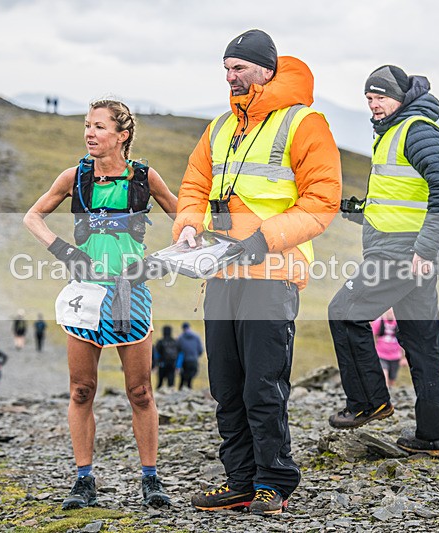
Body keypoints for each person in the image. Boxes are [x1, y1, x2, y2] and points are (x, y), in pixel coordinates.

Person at [173, 29, 341, 515]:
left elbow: (322, 200)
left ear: (267, 70)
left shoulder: (304, 123)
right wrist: (189, 226)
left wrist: (263, 239)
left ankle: (273, 482)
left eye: (240, 68)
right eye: (226, 69)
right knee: (226, 386)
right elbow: (195, 185)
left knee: (262, 386)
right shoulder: (220, 127)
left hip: (273, 271)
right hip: (220, 274)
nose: (231, 77)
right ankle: (240, 482)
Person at [23, 98, 178, 510]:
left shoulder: (144, 177)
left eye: (99, 127)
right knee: (81, 391)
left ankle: (150, 479)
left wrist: (158, 262)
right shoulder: (75, 177)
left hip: (130, 292)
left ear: (122, 135)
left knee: (140, 391)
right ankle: (83, 480)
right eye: (87, 126)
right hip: (85, 295)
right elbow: (32, 216)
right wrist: (64, 251)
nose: (90, 134)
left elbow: (186, 223)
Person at [327, 65, 439, 460]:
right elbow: (401, 198)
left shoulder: (416, 131)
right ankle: (436, 436)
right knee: (422, 340)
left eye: (381, 97)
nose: (374, 104)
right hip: (408, 250)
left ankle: (369, 402)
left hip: (403, 253)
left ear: (401, 97)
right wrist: (356, 210)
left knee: (344, 312)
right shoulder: (392, 132)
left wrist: (426, 248)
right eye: (369, 98)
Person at [372, 308, 404, 388]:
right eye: (388, 312)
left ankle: (390, 390)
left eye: (392, 313)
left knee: (392, 378)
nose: (390, 314)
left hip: (395, 356)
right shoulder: (379, 322)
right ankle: (385, 391)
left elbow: (404, 341)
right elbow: (373, 337)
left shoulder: (399, 323)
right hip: (381, 354)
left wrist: (403, 358)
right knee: (384, 374)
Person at [176, 322, 203, 390]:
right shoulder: (197, 337)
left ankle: (180, 392)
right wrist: (195, 355)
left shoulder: (181, 338)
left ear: (183, 329)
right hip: (194, 360)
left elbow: (178, 350)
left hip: (184, 361)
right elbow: (200, 350)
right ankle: (189, 390)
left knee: (182, 379)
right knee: (190, 379)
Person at [153, 325, 178, 390]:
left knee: (160, 383)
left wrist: (155, 364)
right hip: (172, 365)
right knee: (171, 384)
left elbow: (156, 354)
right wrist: (177, 366)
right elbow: (178, 354)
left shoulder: (160, 342)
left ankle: (158, 393)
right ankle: (171, 394)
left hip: (162, 364)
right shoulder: (174, 342)